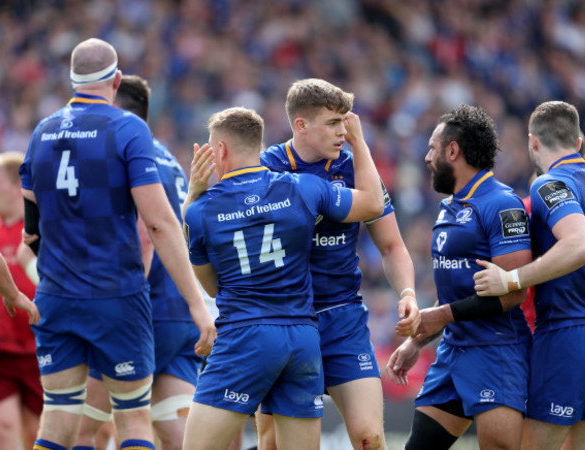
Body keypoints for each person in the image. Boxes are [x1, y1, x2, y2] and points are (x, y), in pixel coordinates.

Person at [19, 38, 215, 450]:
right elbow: (158, 224)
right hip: (116, 295)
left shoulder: (41, 131)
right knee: (133, 421)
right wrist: (198, 304)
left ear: (71, 80)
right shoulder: (128, 127)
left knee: (57, 417)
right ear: (117, 79)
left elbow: (30, 230)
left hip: (55, 295)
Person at [182, 106, 384, 450]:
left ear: (220, 151)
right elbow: (373, 205)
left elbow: (212, 286)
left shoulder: (201, 211)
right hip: (303, 340)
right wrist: (359, 143)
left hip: (245, 337)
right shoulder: (305, 188)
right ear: (257, 146)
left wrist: (193, 194)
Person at [257, 78, 420, 450]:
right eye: (333, 123)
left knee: (370, 437)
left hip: (342, 319)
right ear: (301, 125)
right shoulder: (268, 168)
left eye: (345, 123)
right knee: (271, 443)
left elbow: (393, 245)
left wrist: (408, 292)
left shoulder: (355, 167)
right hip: (286, 320)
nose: (342, 132)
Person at [473, 100, 585, 450]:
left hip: (568, 336)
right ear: (577, 143)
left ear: (532, 142)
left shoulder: (548, 184)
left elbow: (580, 246)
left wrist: (511, 281)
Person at [72, 74, 208, 450]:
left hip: (140, 311)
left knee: (78, 431)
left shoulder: (123, 156)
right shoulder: (168, 159)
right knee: (174, 434)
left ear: (114, 109)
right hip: (178, 315)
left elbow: (146, 235)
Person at [386, 104, 533, 450]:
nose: (426, 158)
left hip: (496, 352)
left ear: (453, 151)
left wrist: (440, 316)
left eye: (432, 149)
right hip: (454, 352)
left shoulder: (501, 204)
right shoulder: (450, 206)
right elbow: (455, 292)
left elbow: (513, 294)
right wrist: (418, 341)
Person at [0, 152, 42, 450]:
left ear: (16, 187)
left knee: (36, 432)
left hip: (39, 347)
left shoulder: (39, 229)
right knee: (4, 426)